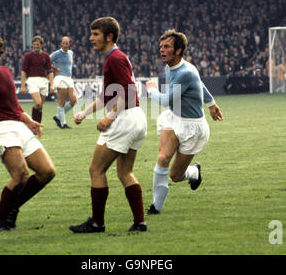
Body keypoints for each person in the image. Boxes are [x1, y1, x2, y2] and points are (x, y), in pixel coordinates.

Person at [0, 32, 56, 231]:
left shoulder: (6, 72)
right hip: (0, 130)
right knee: (21, 174)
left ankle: (12, 208)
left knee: (47, 172)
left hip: (19, 126)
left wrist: (29, 121)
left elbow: (13, 105)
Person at [69, 17, 147, 233]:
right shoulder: (116, 57)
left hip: (124, 118)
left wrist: (110, 117)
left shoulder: (114, 58)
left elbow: (128, 91)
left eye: (95, 34)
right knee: (125, 172)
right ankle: (140, 223)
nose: (90, 38)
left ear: (109, 36)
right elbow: (108, 95)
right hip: (137, 117)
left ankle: (97, 223)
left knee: (96, 169)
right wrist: (85, 112)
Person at [145, 29, 223, 215]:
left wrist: (151, 89)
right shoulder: (170, 67)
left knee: (175, 175)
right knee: (163, 158)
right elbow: (201, 84)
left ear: (178, 50)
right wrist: (212, 104)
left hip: (193, 128)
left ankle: (194, 172)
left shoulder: (185, 73)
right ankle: (156, 207)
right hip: (173, 119)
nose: (162, 50)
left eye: (167, 47)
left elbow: (165, 100)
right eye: (161, 46)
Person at [20, 36, 54, 124]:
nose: (35, 46)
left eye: (37, 44)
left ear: (41, 45)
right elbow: (23, 71)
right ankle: (33, 125)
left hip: (44, 81)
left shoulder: (46, 56)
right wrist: (23, 85)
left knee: (40, 107)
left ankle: (37, 126)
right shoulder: (28, 56)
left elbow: (50, 71)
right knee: (38, 103)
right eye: (34, 44)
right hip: (32, 80)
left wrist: (52, 84)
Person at [50, 36, 78, 129]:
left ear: (69, 44)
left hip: (69, 78)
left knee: (74, 100)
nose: (65, 45)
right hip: (61, 78)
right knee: (61, 101)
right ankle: (63, 124)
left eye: (67, 43)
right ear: (61, 44)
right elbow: (47, 61)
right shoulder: (57, 53)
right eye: (64, 43)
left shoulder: (71, 52)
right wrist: (55, 68)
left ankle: (58, 117)